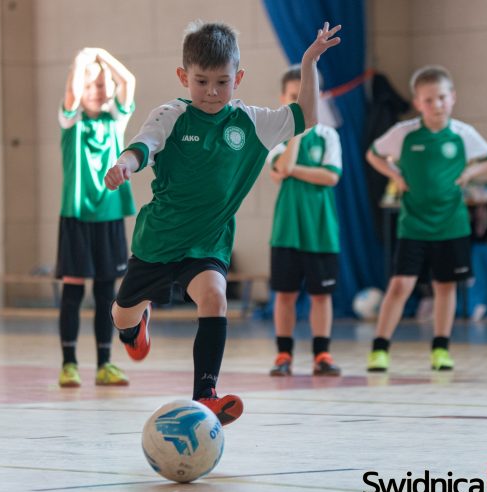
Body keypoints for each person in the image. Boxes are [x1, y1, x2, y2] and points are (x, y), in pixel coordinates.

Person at [104, 21, 342, 425]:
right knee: (122, 314)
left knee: (215, 296)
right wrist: (123, 165)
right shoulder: (171, 114)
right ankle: (135, 325)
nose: (212, 92)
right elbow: (142, 146)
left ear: (239, 78)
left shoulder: (251, 122)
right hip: (158, 242)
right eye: (201, 81)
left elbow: (304, 116)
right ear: (184, 76)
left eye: (222, 82)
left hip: (208, 243)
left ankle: (206, 394)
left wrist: (308, 63)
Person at [365, 65, 487, 373]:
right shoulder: (405, 134)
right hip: (414, 225)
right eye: (428, 100)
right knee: (400, 285)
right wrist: (395, 175)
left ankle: (441, 349)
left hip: (451, 225)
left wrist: (469, 172)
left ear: (452, 97)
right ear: (417, 103)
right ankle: (380, 349)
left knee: (445, 287)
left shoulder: (463, 134)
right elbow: (373, 154)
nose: (436, 105)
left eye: (441, 98)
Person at [55, 48, 137, 388]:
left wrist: (102, 56)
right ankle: (69, 363)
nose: (99, 91)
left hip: (109, 216)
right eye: (92, 86)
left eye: (103, 85)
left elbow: (128, 80)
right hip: (76, 217)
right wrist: (82, 62)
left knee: (107, 293)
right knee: (73, 292)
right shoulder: (71, 121)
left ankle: (105, 362)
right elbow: (73, 89)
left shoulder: (115, 119)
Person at [267, 65, 343, 378]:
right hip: (287, 230)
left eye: (307, 95)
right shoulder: (276, 136)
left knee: (321, 295)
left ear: (318, 96)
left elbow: (330, 177)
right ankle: (283, 354)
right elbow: (279, 167)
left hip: (321, 230)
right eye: (293, 96)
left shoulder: (329, 136)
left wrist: (291, 170)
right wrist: (296, 133)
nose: (301, 101)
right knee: (284, 294)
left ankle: (322, 354)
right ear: (283, 98)